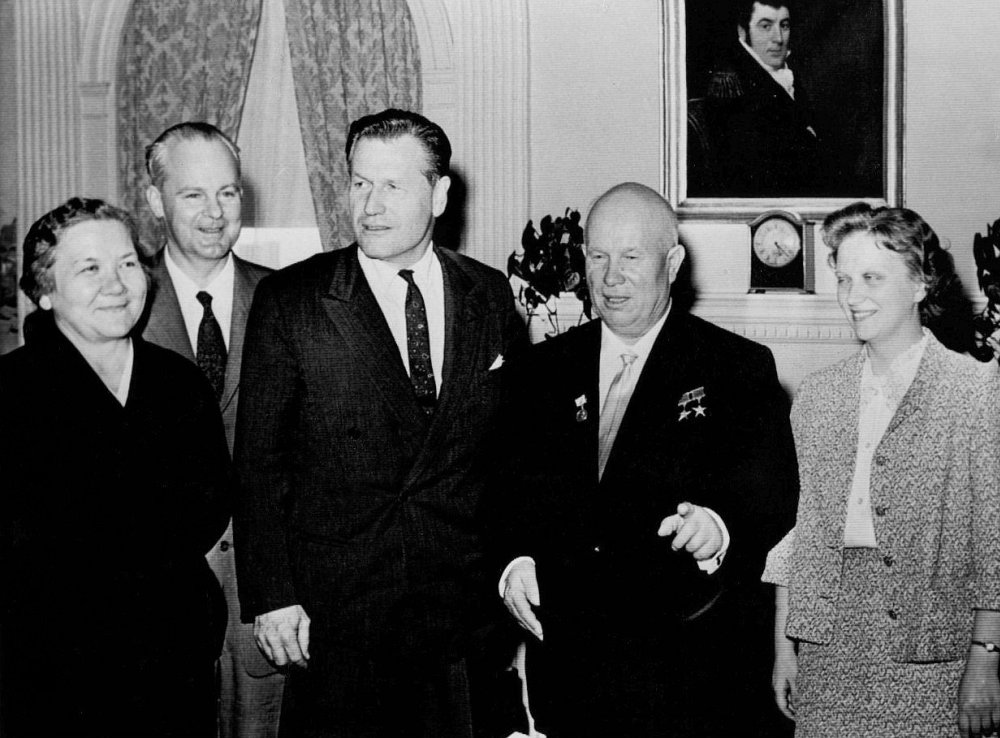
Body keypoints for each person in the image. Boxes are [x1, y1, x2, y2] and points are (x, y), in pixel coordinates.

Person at [234, 108, 528, 738]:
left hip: (460, 617)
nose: (369, 204)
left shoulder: (490, 296)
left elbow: (512, 453)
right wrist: (273, 595)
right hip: (339, 619)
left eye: (393, 185)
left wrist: (516, 561)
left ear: (440, 194)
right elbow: (258, 463)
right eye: (359, 183)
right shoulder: (294, 301)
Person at [491, 182, 798, 738]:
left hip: (688, 674)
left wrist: (720, 527)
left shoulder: (737, 367)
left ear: (673, 262)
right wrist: (513, 563)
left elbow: (772, 495)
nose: (611, 277)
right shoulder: (540, 371)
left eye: (632, 257)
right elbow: (503, 489)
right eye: (598, 256)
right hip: (568, 671)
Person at [764, 203, 1000, 737]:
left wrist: (985, 660)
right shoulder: (818, 395)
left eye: (871, 278)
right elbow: (803, 532)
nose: (852, 296)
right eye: (843, 279)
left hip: (933, 655)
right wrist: (784, 647)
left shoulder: (975, 390)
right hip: (827, 648)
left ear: (919, 284)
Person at [0, 198, 230, 736]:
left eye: (127, 263)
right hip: (53, 674)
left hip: (176, 665)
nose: (117, 284)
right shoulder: (11, 393)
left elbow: (209, 505)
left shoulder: (179, 384)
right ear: (45, 290)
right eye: (89, 268)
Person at [140, 121, 283, 738]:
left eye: (226, 193)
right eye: (192, 195)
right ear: (155, 202)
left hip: (264, 611)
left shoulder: (285, 301)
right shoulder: (122, 303)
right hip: (152, 614)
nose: (214, 212)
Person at [700, 0, 828, 197]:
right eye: (766, 26)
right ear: (743, 32)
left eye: (784, 25)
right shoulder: (729, 84)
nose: (778, 38)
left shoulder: (791, 72)